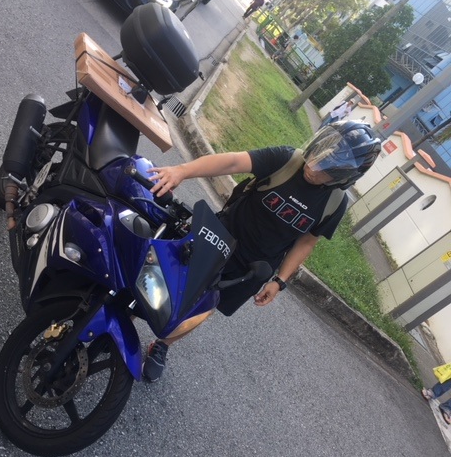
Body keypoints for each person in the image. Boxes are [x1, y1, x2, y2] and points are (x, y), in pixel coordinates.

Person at [141, 121, 381, 382]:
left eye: (325, 170)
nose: (313, 168)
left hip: (252, 267)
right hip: (219, 236)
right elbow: (233, 162)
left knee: (203, 307)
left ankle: (163, 345)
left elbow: (307, 242)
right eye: (316, 157)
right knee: (163, 276)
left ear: (344, 178)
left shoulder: (334, 203)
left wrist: (280, 281)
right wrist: (181, 171)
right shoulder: (287, 160)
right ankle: (124, 312)